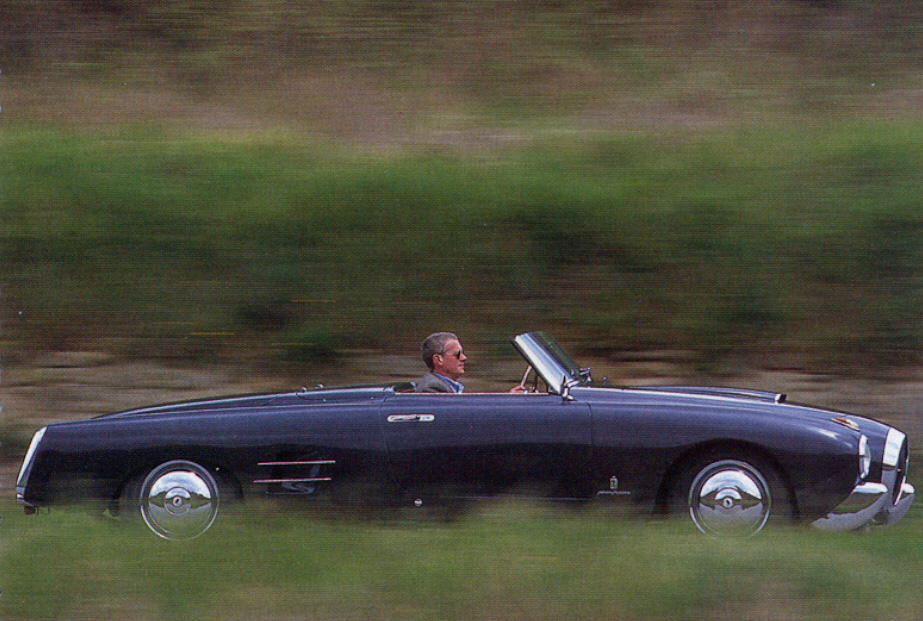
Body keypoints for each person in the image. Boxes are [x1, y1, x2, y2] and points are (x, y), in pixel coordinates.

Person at [415, 332, 527, 393]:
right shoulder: (432, 388)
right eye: (457, 354)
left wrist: (509, 399)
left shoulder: (447, 386)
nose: (464, 358)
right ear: (438, 360)